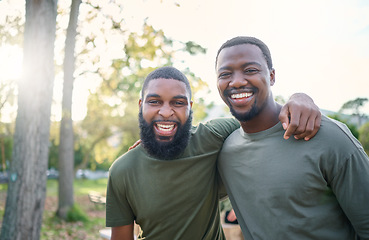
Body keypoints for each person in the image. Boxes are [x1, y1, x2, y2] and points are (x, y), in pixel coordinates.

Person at [106, 66, 321, 240]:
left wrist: (300, 98)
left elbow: (262, 118)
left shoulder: (210, 137)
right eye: (154, 102)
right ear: (141, 105)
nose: (165, 111)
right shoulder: (122, 170)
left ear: (190, 107)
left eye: (177, 103)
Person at [216, 36, 369, 239]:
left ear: (271, 76)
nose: (236, 81)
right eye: (225, 74)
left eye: (250, 70)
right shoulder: (225, 150)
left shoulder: (328, 136)